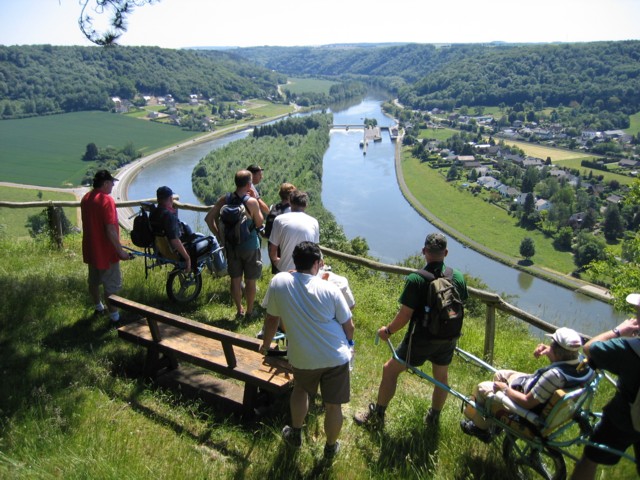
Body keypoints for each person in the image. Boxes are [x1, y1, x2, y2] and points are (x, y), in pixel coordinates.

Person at [354, 232, 467, 429]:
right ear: (446, 253)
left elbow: (405, 315)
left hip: (420, 340)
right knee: (441, 377)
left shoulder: (416, 279)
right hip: (448, 338)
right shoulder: (457, 276)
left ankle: (377, 417)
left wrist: (387, 331)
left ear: (424, 251)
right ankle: (434, 417)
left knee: (390, 370)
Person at [258, 241, 354, 460]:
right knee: (333, 406)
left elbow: (271, 319)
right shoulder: (330, 288)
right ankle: (330, 448)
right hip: (335, 356)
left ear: (294, 260)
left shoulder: (279, 281)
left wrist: (265, 346)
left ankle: (296, 433)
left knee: (300, 390)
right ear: (318, 264)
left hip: (302, 357)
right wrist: (349, 345)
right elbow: (350, 327)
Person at [460, 327, 588, 443]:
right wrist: (549, 351)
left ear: (558, 351)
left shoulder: (554, 376)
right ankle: (496, 423)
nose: (550, 345)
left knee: (481, 387)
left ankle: (481, 429)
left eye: (552, 344)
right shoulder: (581, 363)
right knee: (499, 375)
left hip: (526, 405)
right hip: (534, 389)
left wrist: (505, 389)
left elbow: (527, 402)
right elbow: (562, 358)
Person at [570, 294, 640, 480]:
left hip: (626, 418)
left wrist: (619, 330)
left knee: (591, 457)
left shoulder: (630, 349)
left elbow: (590, 349)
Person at [205, 170, 264, 320]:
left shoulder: (225, 199)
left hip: (231, 247)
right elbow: (259, 222)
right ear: (249, 184)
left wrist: (220, 236)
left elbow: (208, 218)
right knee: (251, 280)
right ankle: (250, 312)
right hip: (250, 246)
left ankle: (239, 310)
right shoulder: (251, 201)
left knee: (235, 280)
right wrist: (254, 198)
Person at [80, 169, 131, 326]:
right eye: (112, 183)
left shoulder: (86, 198)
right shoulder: (106, 200)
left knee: (94, 281)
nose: (113, 186)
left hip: (91, 248)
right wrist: (120, 251)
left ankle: (98, 307)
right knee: (111, 285)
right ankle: (115, 318)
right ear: (106, 183)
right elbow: (110, 229)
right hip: (106, 251)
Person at [268, 190, 319, 274]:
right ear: (306, 205)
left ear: (290, 203)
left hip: (284, 270)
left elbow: (273, 249)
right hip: (306, 271)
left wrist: (275, 260)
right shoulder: (314, 222)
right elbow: (316, 248)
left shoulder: (279, 220)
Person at [150, 186, 193, 273]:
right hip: (174, 251)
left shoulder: (153, 213)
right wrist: (187, 258)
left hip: (162, 250)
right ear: (170, 198)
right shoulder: (169, 216)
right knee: (210, 240)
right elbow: (175, 241)